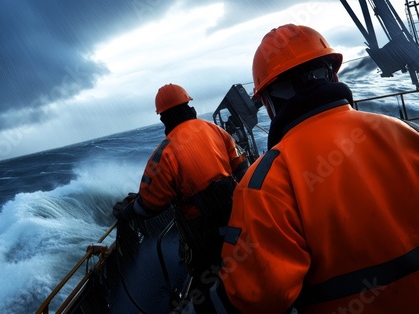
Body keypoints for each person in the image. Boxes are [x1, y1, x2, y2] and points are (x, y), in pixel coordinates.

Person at [212, 24, 419, 313]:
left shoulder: (265, 181)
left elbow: (256, 297)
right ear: (332, 74)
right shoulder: (403, 133)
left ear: (269, 104)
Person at [113, 83, 249, 313]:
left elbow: (148, 206)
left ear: (163, 119)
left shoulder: (163, 153)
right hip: (236, 220)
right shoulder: (215, 130)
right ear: (189, 107)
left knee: (206, 282)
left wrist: (127, 211)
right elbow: (242, 168)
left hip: (202, 234)